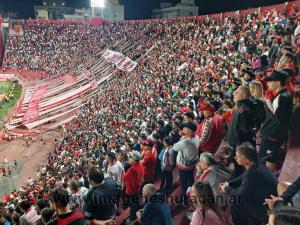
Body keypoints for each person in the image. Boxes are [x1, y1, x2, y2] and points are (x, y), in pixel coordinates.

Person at [219, 142, 278, 225]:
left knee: (234, 202)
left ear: (247, 159)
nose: (235, 158)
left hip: (265, 208)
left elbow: (240, 196)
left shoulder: (251, 174)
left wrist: (226, 189)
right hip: (266, 198)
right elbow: (242, 177)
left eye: (238, 156)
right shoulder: (256, 164)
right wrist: (229, 184)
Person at [260, 71, 293, 171]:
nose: (267, 84)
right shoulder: (284, 94)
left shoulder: (282, 97)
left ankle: (270, 186)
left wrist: (267, 106)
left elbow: (279, 120)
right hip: (273, 135)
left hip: (273, 136)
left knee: (270, 162)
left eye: (270, 81)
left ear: (278, 83)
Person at [227, 85, 256, 178]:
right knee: (237, 168)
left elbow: (245, 132)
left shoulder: (244, 109)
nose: (234, 94)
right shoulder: (241, 106)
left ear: (243, 95)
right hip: (236, 144)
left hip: (239, 146)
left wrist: (238, 148)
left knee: (239, 169)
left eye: (237, 92)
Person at [173, 122, 200, 205]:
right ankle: (191, 192)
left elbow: (174, 147)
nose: (183, 129)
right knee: (190, 179)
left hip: (184, 166)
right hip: (192, 163)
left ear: (190, 131)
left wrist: (183, 138)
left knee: (183, 183)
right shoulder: (197, 137)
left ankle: (184, 200)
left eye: (185, 128)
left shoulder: (185, 142)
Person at [122, 151, 143, 222]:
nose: (129, 159)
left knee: (132, 205)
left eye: (130, 158)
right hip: (137, 189)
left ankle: (132, 218)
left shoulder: (131, 169)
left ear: (133, 160)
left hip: (131, 190)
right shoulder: (141, 165)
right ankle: (136, 214)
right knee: (136, 202)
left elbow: (124, 178)